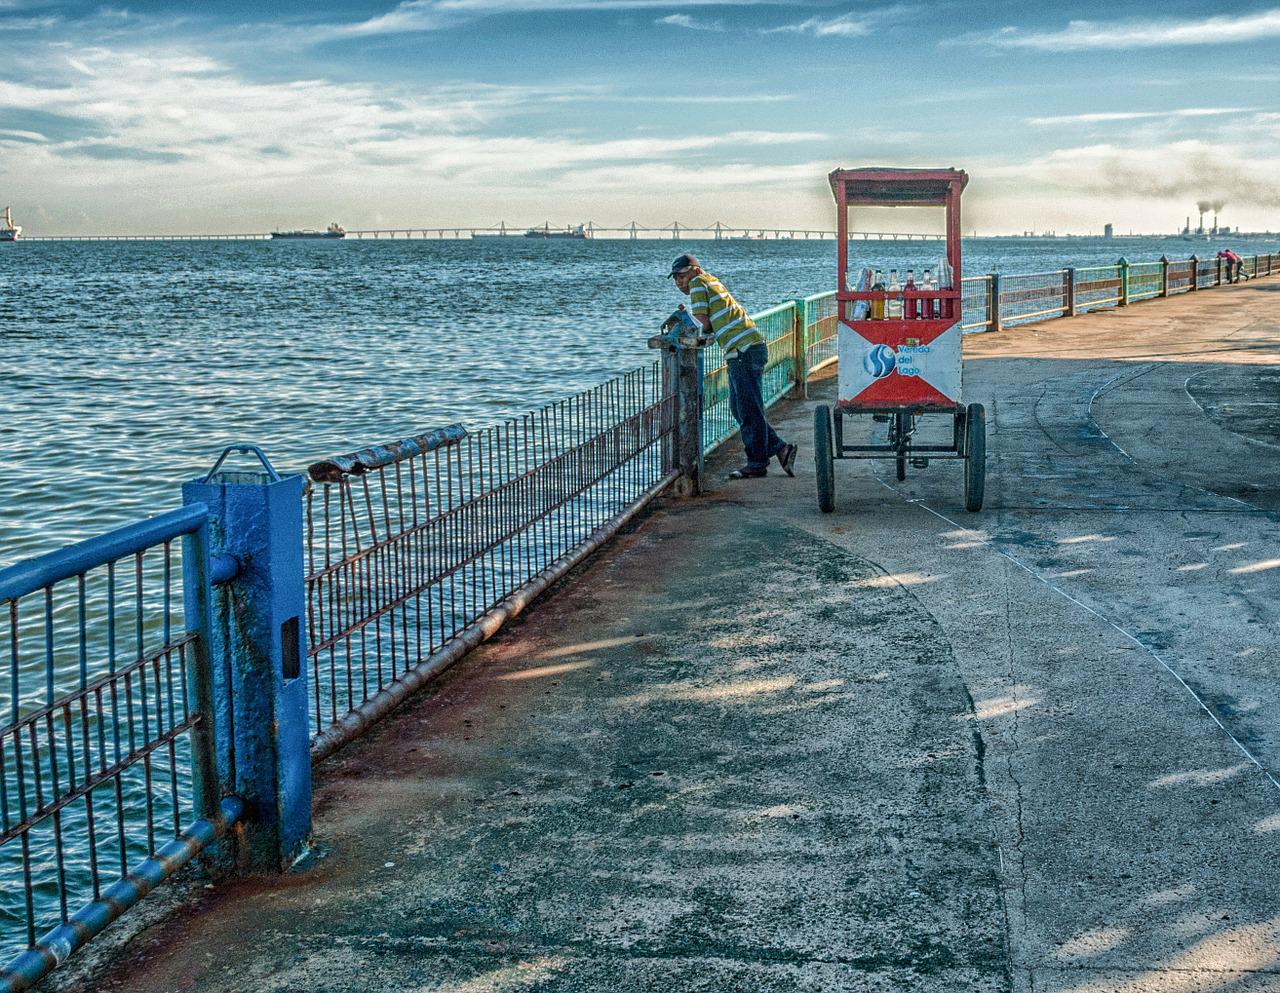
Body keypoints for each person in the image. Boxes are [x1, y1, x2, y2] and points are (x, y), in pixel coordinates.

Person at [669, 253, 797, 479]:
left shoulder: (698, 283)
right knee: (740, 408)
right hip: (748, 347)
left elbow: (702, 323)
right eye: (675, 279)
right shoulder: (712, 280)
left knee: (748, 409)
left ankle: (757, 462)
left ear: (695, 270)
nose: (679, 282)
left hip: (742, 351)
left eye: (682, 275)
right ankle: (779, 448)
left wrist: (687, 325)